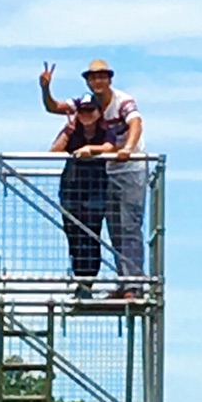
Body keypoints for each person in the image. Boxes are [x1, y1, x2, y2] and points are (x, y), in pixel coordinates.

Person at [40, 57, 145, 284]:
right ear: (87, 82)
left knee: (128, 227)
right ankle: (123, 282)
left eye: (102, 76)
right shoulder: (86, 104)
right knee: (110, 229)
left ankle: (133, 284)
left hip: (128, 169)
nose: (97, 81)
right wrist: (45, 88)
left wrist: (127, 148)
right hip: (104, 173)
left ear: (109, 79)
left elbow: (136, 123)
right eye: (93, 77)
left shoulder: (123, 101)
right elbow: (53, 107)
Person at [52, 94, 117, 287]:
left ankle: (88, 281)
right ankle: (79, 278)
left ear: (98, 113)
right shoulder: (73, 130)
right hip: (71, 188)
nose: (86, 115)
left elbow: (109, 146)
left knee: (91, 233)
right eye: (82, 111)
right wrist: (67, 132)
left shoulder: (105, 131)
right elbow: (54, 151)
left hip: (96, 188)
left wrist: (90, 149)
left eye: (90, 110)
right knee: (73, 233)